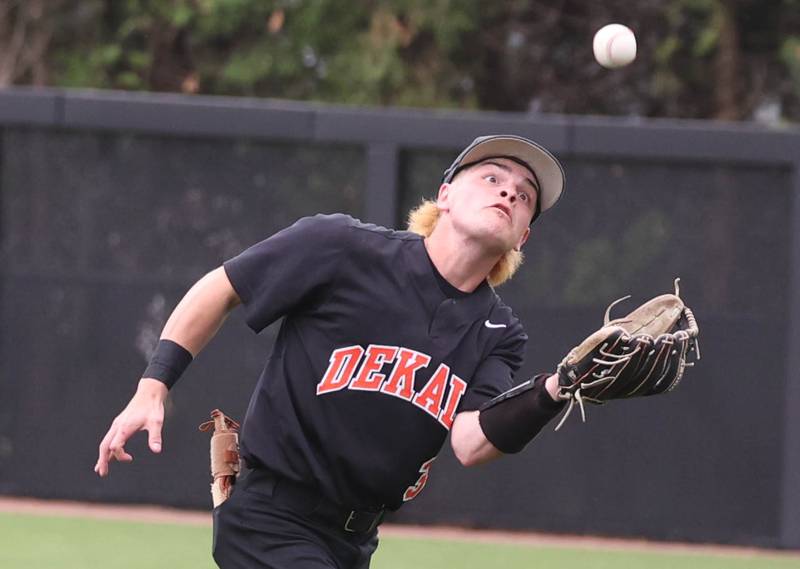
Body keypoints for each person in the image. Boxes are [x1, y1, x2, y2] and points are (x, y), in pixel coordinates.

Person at [95, 134, 567, 569]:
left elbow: (471, 441)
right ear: (443, 196)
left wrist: (557, 388)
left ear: (523, 236)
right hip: (269, 516)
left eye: (525, 195)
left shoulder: (500, 331)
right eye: (492, 178)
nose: (508, 193)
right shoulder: (342, 248)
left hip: (353, 543)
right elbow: (221, 289)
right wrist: (154, 384)